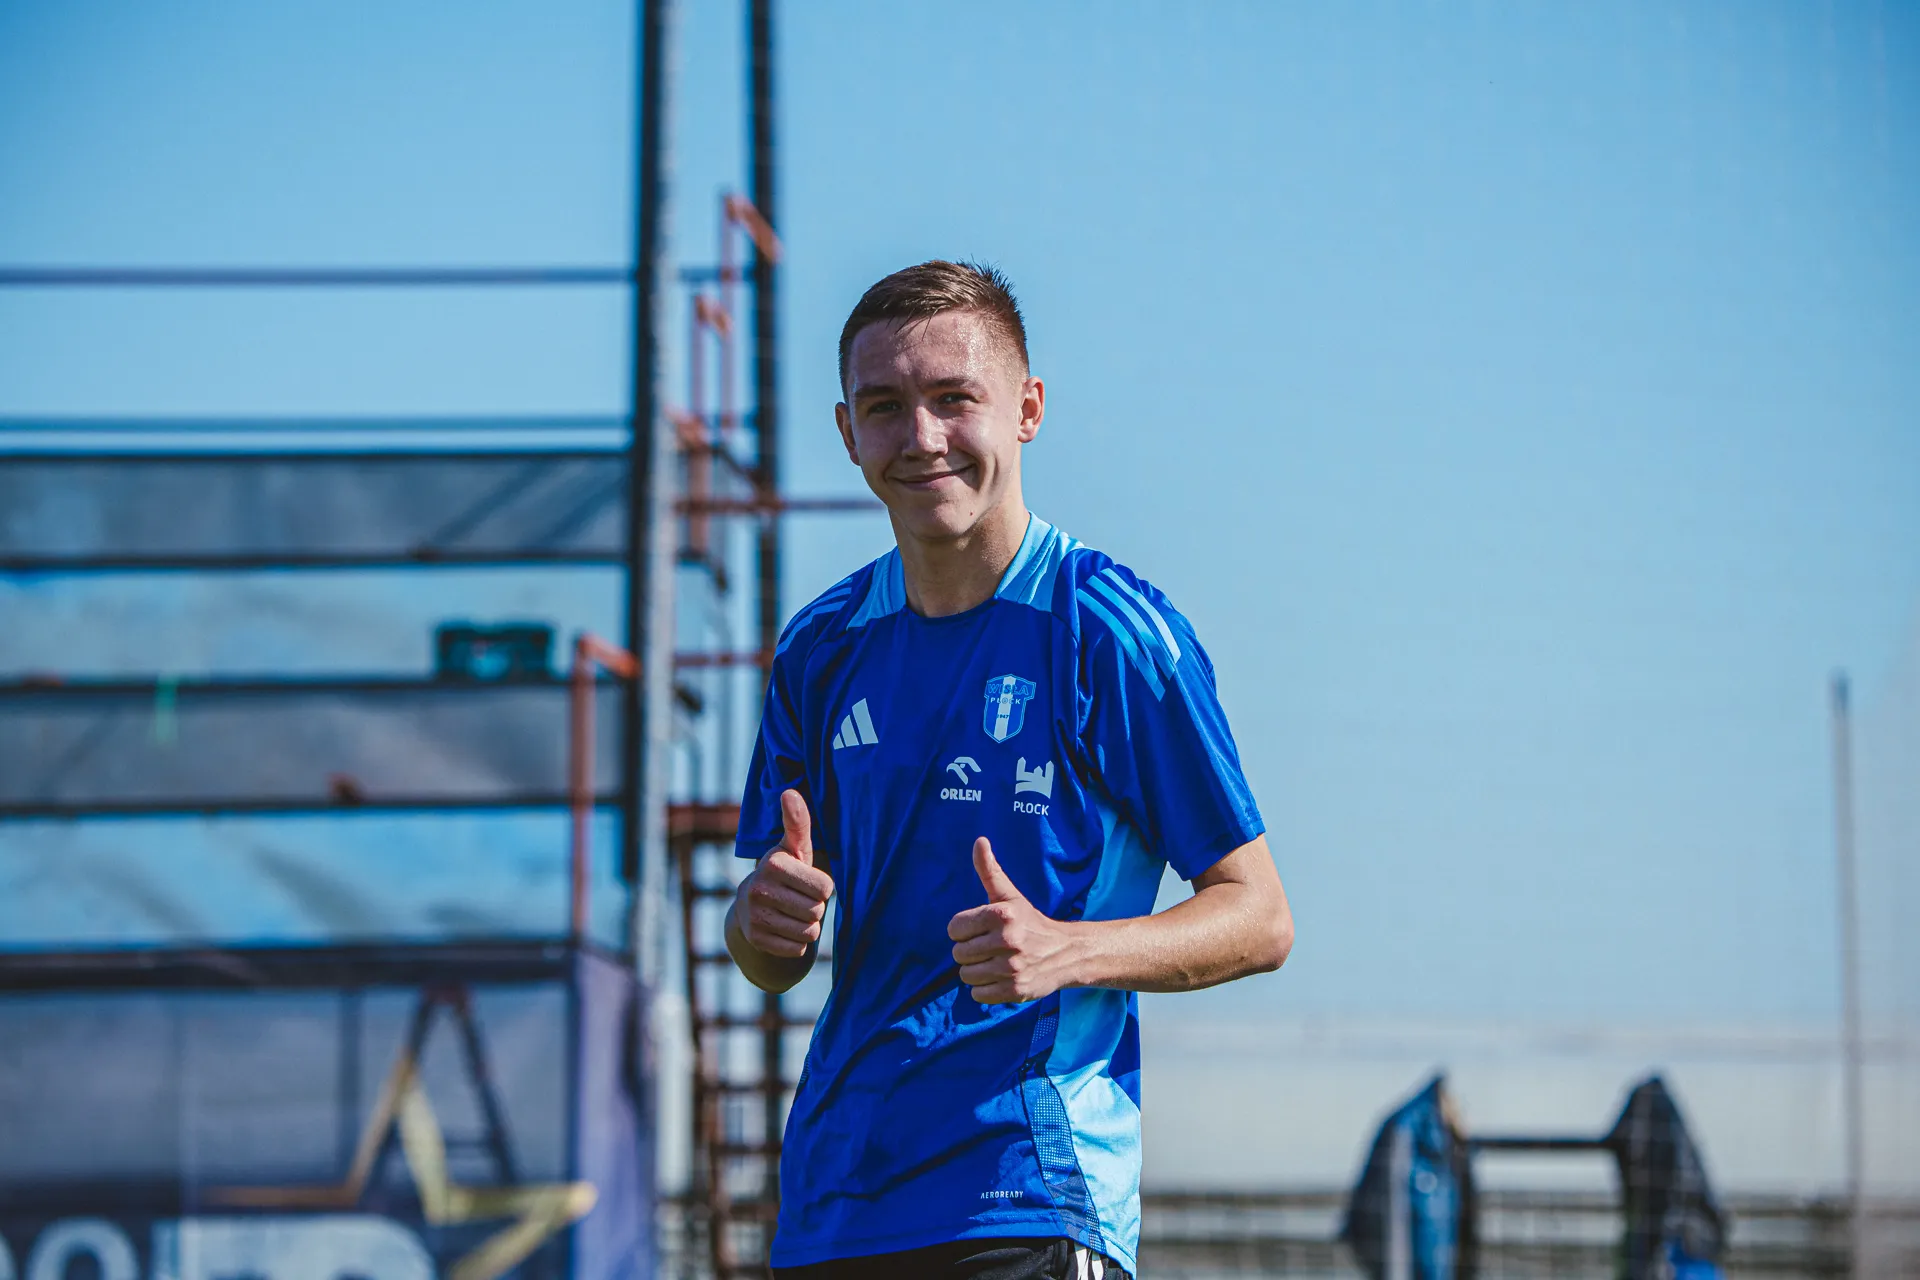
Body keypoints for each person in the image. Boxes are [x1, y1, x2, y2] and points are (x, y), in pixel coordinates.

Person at [726, 260, 1294, 1280]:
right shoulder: (821, 646)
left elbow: (1259, 916)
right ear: (848, 432)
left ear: (1027, 409)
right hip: (833, 1203)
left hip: (1025, 1192)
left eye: (955, 398)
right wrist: (759, 923)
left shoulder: (1109, 631)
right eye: (885, 406)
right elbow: (770, 955)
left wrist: (1068, 951)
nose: (922, 436)